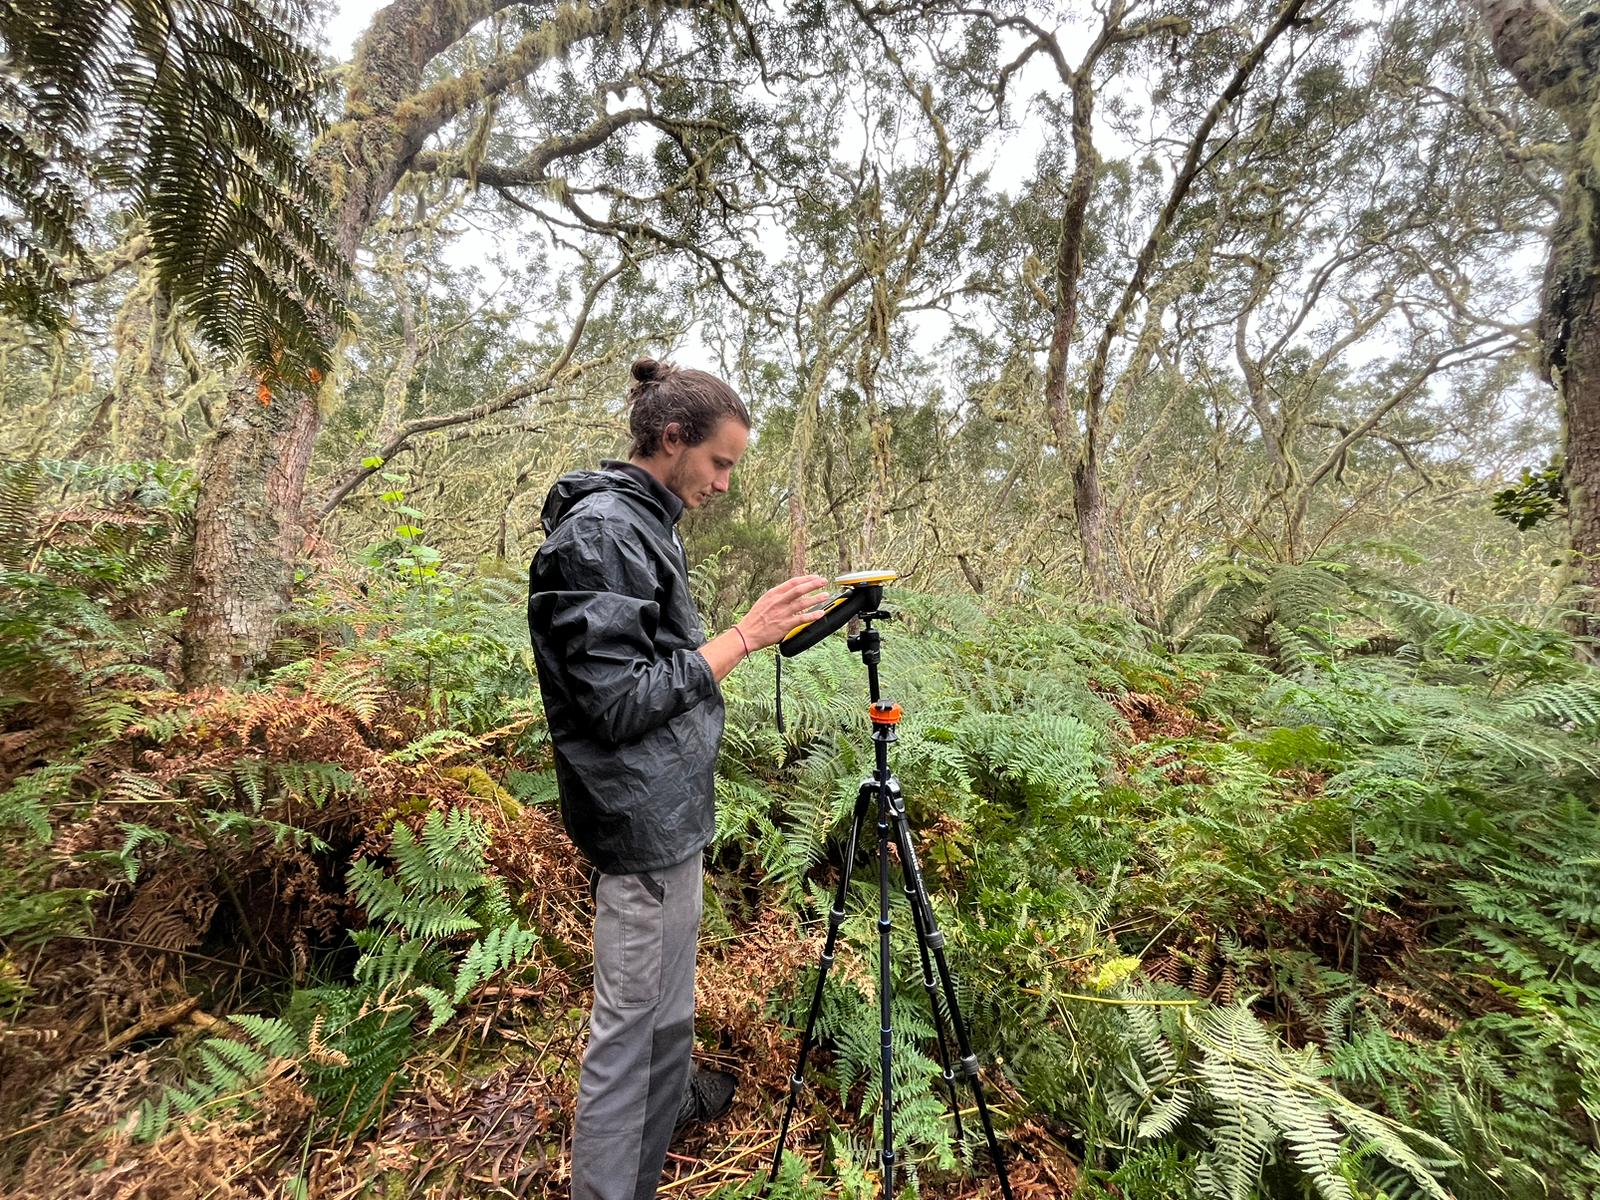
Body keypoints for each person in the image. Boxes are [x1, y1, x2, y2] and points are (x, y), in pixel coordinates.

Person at [527, 357, 827, 1200]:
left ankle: (650, 1157)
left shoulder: (641, 523)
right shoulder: (602, 536)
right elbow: (616, 703)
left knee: (667, 1020)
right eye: (720, 463)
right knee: (631, 1035)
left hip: (668, 816)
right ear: (671, 439)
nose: (725, 484)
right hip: (639, 826)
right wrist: (745, 634)